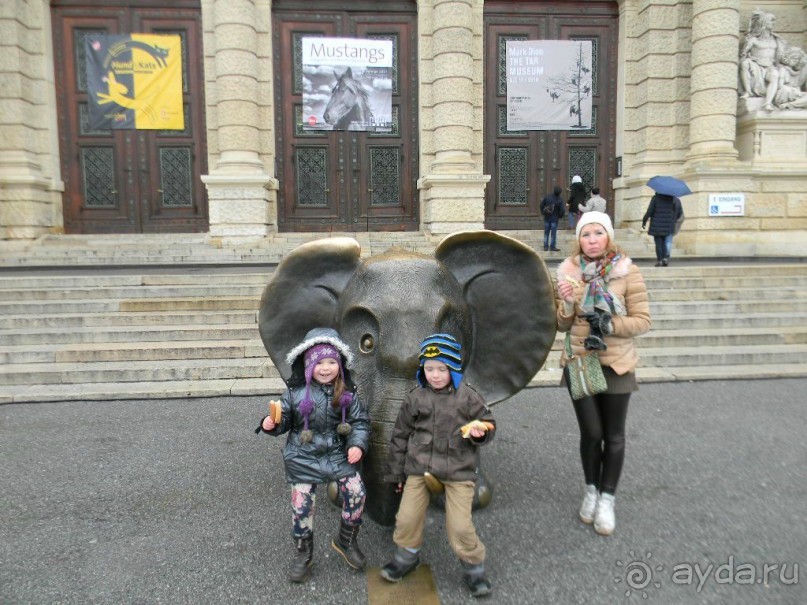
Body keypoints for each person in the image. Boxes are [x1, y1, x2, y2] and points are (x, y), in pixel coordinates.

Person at [555, 212, 651, 536]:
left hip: (617, 363)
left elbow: (642, 321)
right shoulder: (568, 273)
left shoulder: (627, 271)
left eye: (598, 233)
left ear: (609, 236)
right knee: (591, 433)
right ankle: (590, 491)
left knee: (614, 435)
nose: (592, 239)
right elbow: (562, 324)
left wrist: (609, 323)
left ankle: (607, 498)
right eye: (586, 234)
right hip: (581, 361)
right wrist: (567, 305)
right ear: (578, 239)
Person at [381, 334, 495, 598]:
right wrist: (396, 472)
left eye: (441, 369)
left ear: (453, 369)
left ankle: (473, 567)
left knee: (460, 526)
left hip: (458, 470)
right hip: (420, 468)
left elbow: (488, 423)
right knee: (407, 517)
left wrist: (481, 432)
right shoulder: (415, 398)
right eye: (429, 369)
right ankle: (406, 556)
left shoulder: (469, 398)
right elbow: (399, 436)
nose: (434, 375)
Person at [256, 327, 370, 583]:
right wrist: (271, 423)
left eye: (332, 362)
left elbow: (361, 421)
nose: (326, 368)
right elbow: (284, 417)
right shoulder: (295, 394)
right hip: (302, 454)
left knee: (356, 492)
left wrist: (357, 444)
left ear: (339, 365)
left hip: (337, 454)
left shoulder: (348, 395)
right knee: (302, 505)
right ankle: (303, 552)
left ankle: (346, 539)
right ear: (309, 365)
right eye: (320, 363)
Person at [738, 9, 786, 111]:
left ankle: (767, 103)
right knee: (744, 63)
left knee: (774, 74)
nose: (774, 23)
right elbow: (743, 54)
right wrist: (745, 46)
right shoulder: (753, 40)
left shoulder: (776, 40)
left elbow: (780, 58)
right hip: (756, 65)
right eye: (771, 20)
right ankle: (748, 91)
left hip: (770, 66)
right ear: (764, 22)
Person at [642, 192, 683, 266]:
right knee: (665, 242)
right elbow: (677, 212)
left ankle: (660, 260)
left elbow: (650, 211)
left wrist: (644, 220)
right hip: (668, 225)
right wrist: (672, 220)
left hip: (656, 224)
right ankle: (665, 258)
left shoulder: (655, 198)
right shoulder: (672, 199)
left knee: (658, 243)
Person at [540, 185, 566, 252]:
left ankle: (545, 246)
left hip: (547, 217)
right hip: (555, 218)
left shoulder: (547, 197)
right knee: (553, 233)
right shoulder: (560, 200)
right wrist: (560, 216)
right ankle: (552, 246)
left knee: (546, 232)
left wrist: (543, 212)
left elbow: (541, 205)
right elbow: (562, 210)